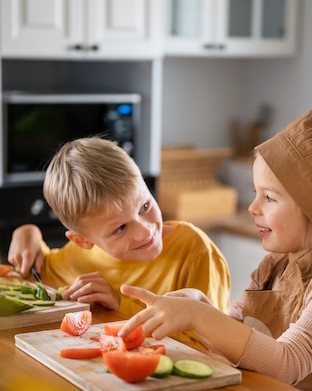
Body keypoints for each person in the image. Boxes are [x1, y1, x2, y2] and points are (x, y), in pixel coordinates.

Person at [118, 102, 312, 391]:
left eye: (269, 197)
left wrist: (198, 316)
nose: (253, 207)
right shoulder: (274, 266)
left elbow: (288, 362)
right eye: (255, 192)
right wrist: (200, 305)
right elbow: (237, 344)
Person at [8, 136, 231, 346]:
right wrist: (27, 231)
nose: (145, 232)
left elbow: (215, 343)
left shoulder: (195, 251)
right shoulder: (79, 258)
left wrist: (121, 305)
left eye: (145, 206)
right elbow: (34, 271)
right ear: (82, 241)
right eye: (121, 228)